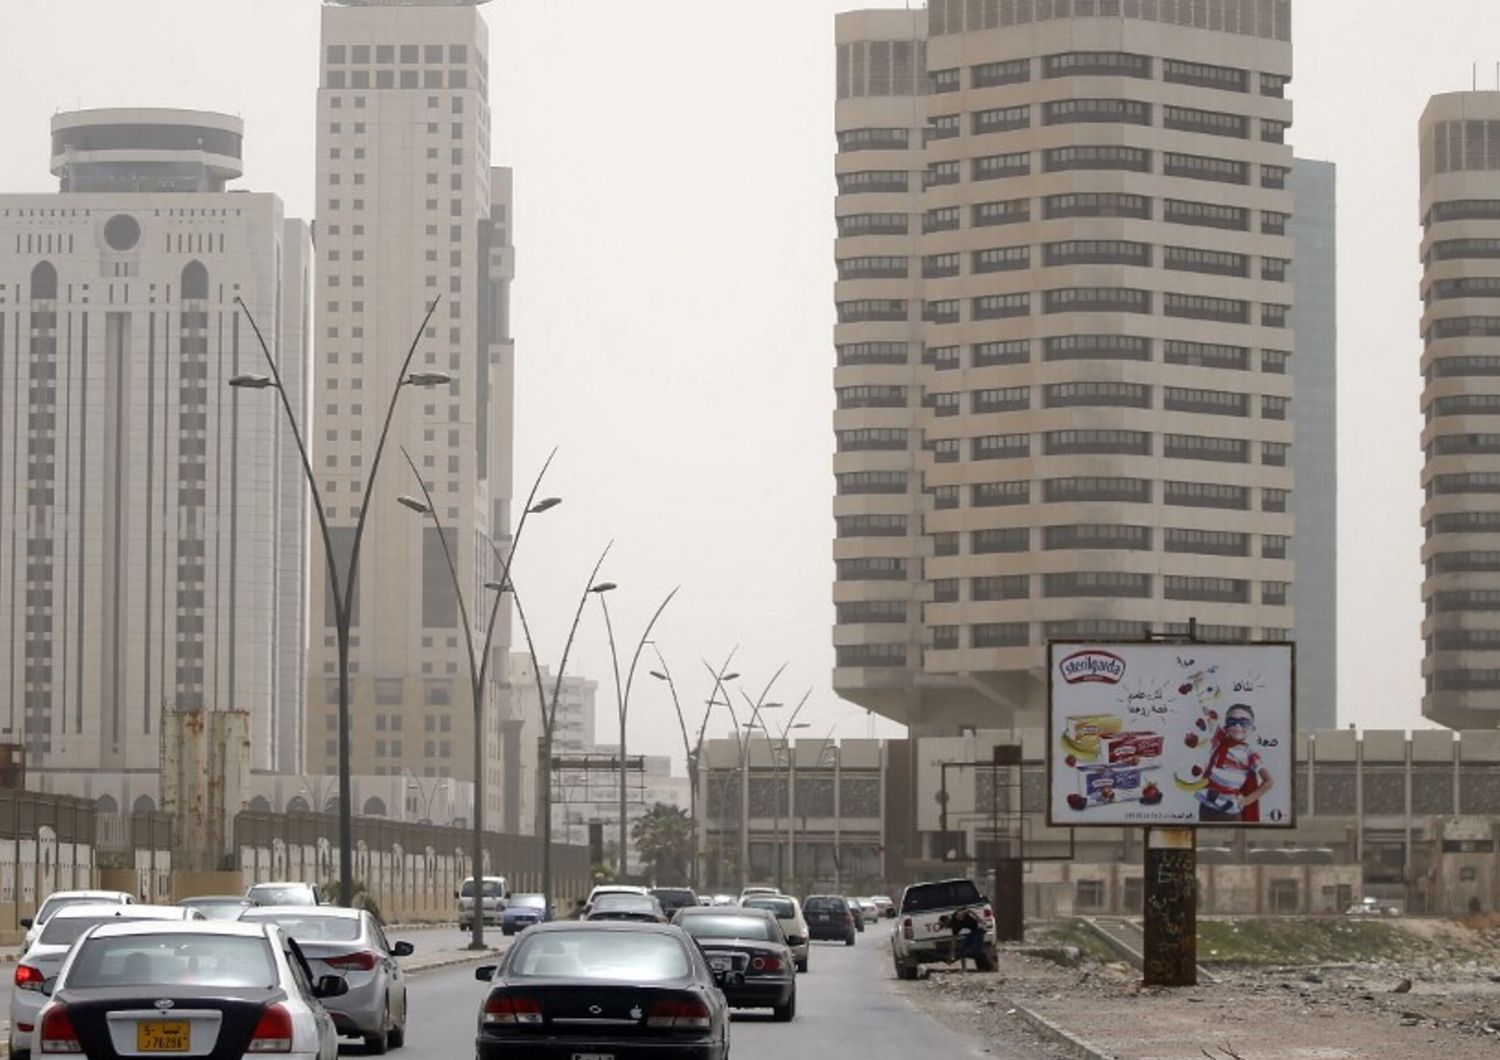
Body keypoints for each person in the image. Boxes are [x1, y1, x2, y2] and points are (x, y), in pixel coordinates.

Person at [1197, 704, 1275, 822]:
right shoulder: (1218, 739)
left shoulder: (1250, 755)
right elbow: (1206, 710)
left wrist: (1246, 800)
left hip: (1229, 813)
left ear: (1252, 728)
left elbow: (1268, 781)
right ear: (1226, 727)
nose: (1237, 725)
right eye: (1232, 721)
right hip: (1206, 807)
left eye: (1244, 722)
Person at [946, 906, 989, 972]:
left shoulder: (957, 915)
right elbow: (953, 941)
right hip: (973, 932)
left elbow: (969, 910)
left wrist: (979, 919)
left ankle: (987, 965)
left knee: (977, 949)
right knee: (962, 949)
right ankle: (964, 969)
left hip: (979, 929)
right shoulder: (955, 927)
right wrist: (951, 954)